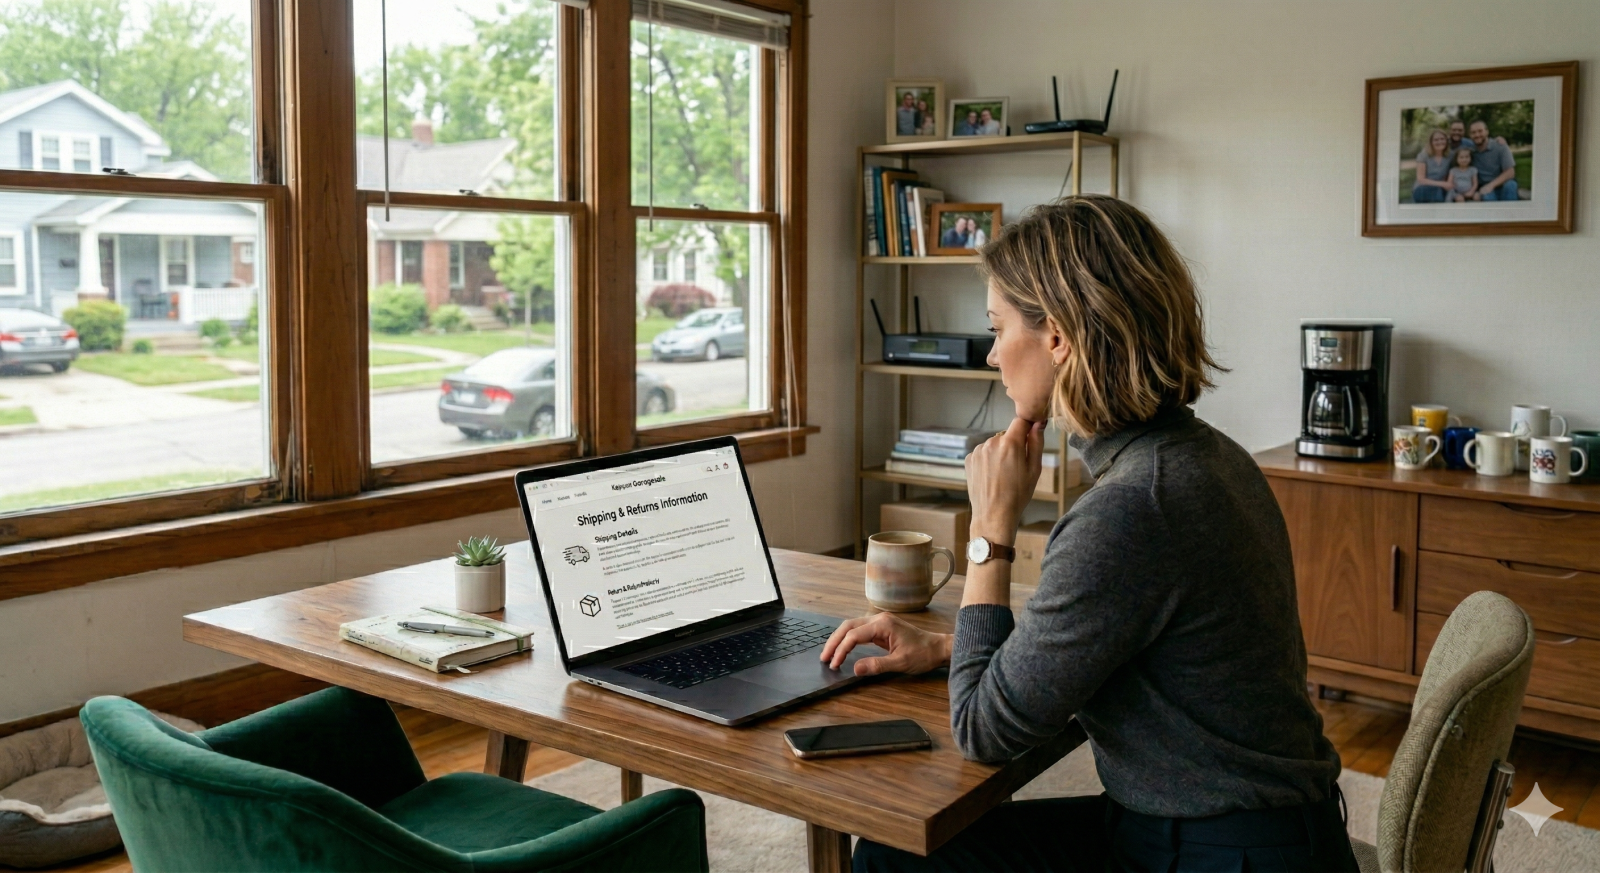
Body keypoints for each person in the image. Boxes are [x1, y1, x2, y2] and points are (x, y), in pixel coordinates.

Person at [826, 195, 1357, 873]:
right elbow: (1114, 637)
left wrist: (990, 530)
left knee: (894, 860)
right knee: (899, 853)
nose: (990, 355)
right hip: (1259, 831)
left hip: (1223, 854)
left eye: (996, 328)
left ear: (1057, 337)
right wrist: (950, 646)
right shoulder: (1209, 457)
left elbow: (984, 730)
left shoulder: (1132, 508)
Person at [1466, 119, 1520, 201]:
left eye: (1480, 131)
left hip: (1503, 184)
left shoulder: (1500, 146)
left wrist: (1491, 185)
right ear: (1470, 135)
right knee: (1487, 195)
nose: (1477, 135)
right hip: (1485, 188)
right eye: (1473, 132)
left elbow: (1510, 172)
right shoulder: (1469, 152)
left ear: (1487, 132)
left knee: (1511, 185)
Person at [1410, 129, 1454, 203]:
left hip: (1440, 188)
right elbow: (1421, 179)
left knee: (1441, 195)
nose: (1439, 142)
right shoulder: (1423, 155)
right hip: (1423, 188)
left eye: (1442, 139)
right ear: (1431, 142)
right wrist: (1443, 184)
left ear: (1446, 141)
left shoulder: (1450, 155)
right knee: (1437, 196)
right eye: (1436, 140)